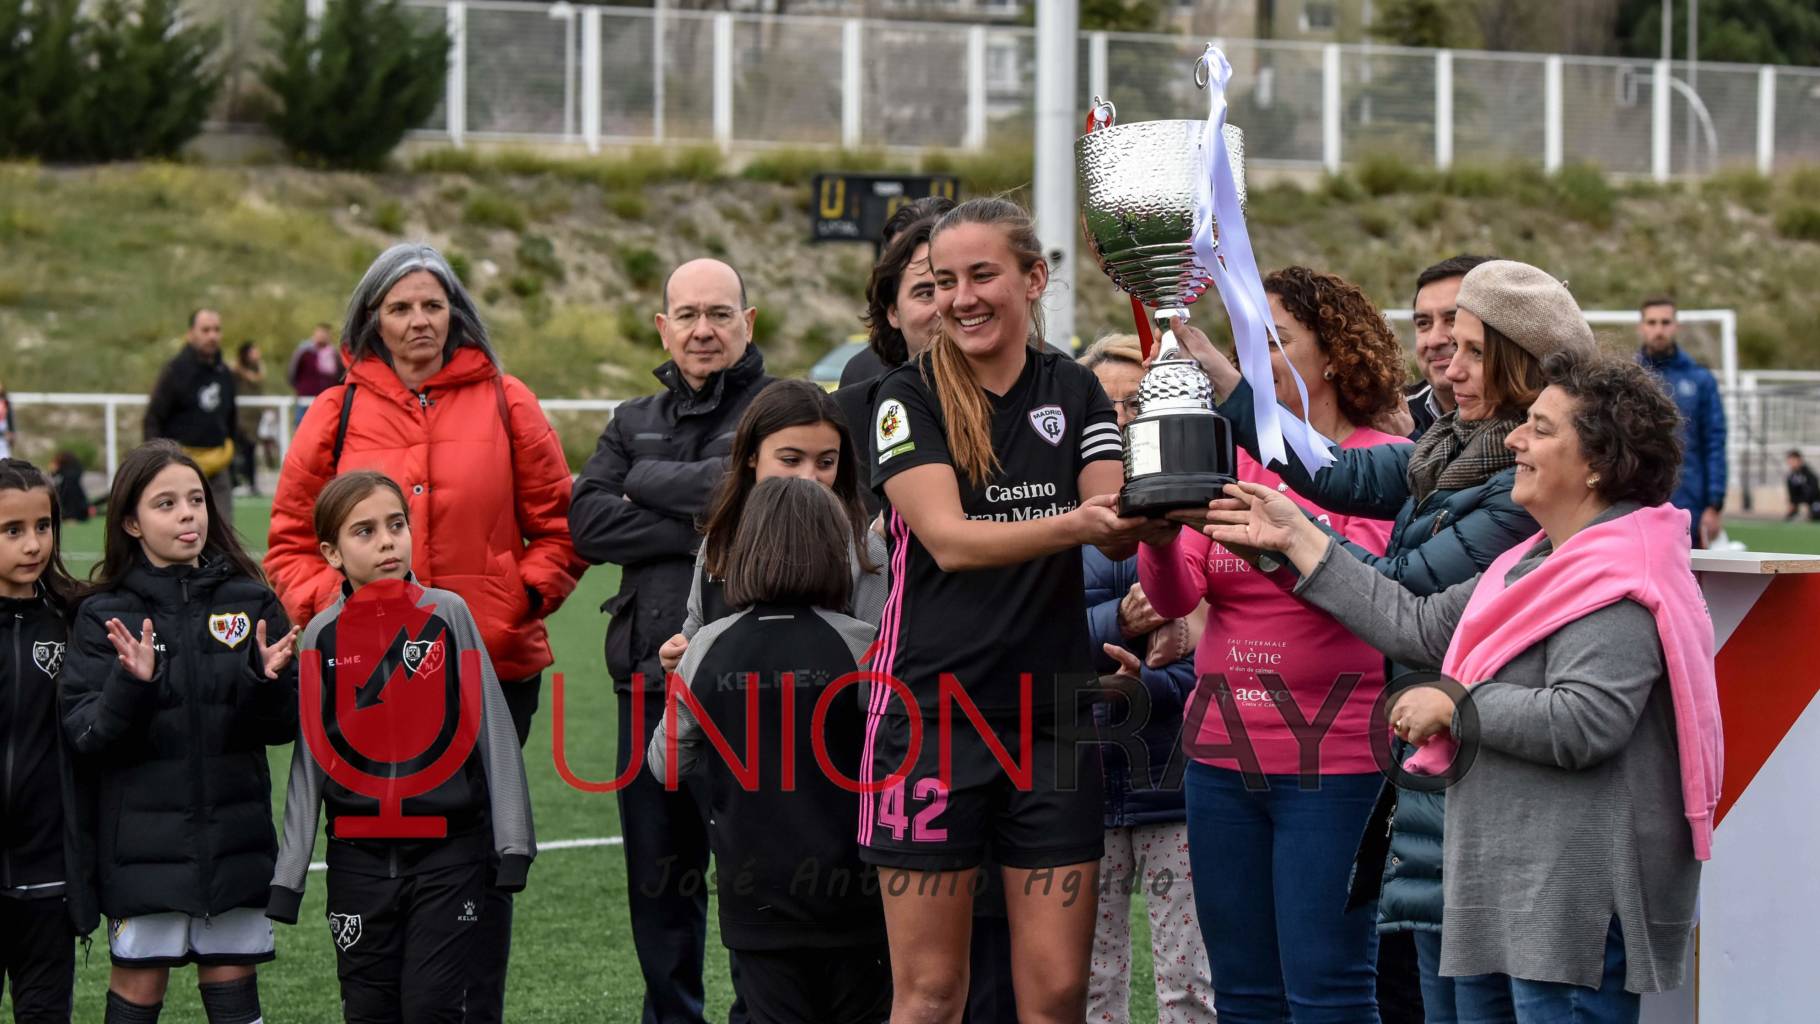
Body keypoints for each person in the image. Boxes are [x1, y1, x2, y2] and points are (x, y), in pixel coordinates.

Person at [1200, 351, 1719, 1024]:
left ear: (1597, 463)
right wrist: (1299, 538)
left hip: (1567, 910)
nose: (1513, 440)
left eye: (1540, 428)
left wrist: (1456, 704)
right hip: (1506, 889)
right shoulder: (1534, 561)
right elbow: (1413, 624)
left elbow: (1586, 721)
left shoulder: (1619, 580)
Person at [1173, 258, 1593, 1022]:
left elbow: (1410, 599)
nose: (1444, 360)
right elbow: (1331, 471)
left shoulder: (1517, 481)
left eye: (1469, 349)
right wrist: (1232, 388)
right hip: (1442, 775)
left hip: (1482, 775)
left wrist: (1297, 544)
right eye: (1445, 340)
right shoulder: (1452, 452)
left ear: (1518, 366)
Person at [263, 242, 579, 1024]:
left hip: (489, 672)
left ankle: (470, 1008)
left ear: (456, 312)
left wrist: (513, 606)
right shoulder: (334, 413)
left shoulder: (509, 401)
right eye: (400, 307)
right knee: (376, 843)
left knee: (476, 849)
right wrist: (336, 617)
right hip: (371, 687)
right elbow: (290, 542)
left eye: (432, 305)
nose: (417, 321)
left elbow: (560, 529)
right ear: (372, 317)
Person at [861, 197, 1151, 1024]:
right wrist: (1077, 523)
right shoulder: (902, 396)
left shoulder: (1079, 389)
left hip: (1053, 720)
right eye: (944, 281)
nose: (962, 298)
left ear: (1034, 278)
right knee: (928, 994)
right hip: (931, 715)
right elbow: (949, 540)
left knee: (1058, 993)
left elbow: (1116, 522)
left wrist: (1164, 501)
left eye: (982, 274)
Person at [1139, 267, 1411, 1023]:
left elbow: (1373, 593)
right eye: (1248, 343)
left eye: (1278, 341)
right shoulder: (1232, 457)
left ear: (1334, 356)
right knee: (1245, 992)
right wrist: (1158, 541)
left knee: (1327, 987)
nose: (1257, 358)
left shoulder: (1384, 464)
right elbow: (1175, 597)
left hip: (1339, 761)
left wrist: (1276, 543)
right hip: (1222, 760)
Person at [568, 256, 771, 1024]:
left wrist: (642, 482)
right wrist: (706, 509)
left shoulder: (779, 409)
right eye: (687, 315)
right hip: (647, 691)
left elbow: (754, 503)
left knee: (764, 882)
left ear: (747, 324)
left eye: (719, 314)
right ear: (663, 326)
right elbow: (586, 522)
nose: (703, 330)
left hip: (758, 691)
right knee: (659, 885)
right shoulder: (630, 419)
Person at [268, 470, 535, 1023]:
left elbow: (493, 727)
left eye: (396, 525)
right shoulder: (321, 635)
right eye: (364, 531)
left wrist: (513, 842)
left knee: (432, 1008)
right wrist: (288, 877)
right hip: (356, 864)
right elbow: (312, 760)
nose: (387, 541)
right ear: (331, 552)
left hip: (448, 857)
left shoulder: (447, 613)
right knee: (367, 1010)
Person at [62, 441, 300, 1024]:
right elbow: (87, 734)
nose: (188, 514)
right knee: (139, 989)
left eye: (195, 499)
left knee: (232, 983)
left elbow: (281, 727)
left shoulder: (251, 600)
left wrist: (265, 682)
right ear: (131, 521)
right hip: (141, 850)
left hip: (233, 840)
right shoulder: (104, 614)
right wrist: (132, 685)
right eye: (165, 503)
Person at [648, 476, 889, 1024]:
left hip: (754, 894)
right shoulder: (862, 644)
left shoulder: (705, 645)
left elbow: (665, 764)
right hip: (856, 893)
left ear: (746, 552)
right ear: (836, 553)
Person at [1075, 335, 1218, 1024]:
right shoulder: (1057, 515)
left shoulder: (1199, 511)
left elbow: (1214, 652)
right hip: (1080, 782)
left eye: (1140, 403)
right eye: (1109, 407)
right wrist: (1121, 625)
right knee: (1088, 986)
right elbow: (1027, 638)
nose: (1127, 420)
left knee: (1190, 984)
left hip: (1177, 782)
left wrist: (1147, 688)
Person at [658, 379, 886, 674]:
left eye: (826, 462)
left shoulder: (864, 550)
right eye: (791, 460)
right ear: (752, 455)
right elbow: (697, 631)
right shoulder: (720, 540)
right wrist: (679, 654)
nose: (808, 477)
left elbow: (879, 665)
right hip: (735, 718)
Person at [0, 459, 95, 1024]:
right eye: (12, 530)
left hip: (49, 877)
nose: (33, 544)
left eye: (43, 526)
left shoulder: (73, 619)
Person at [838, 196, 956, 392]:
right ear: (893, 310)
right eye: (926, 293)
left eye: (948, 283)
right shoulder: (861, 380)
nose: (942, 306)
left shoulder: (1018, 380)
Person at [1636, 296, 1726, 547]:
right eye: (1651, 322)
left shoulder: (1700, 380)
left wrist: (1715, 503)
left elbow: (1714, 441)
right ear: (1641, 327)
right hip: (1637, 502)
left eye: (1665, 322)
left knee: (1692, 580)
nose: (1658, 329)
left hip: (1690, 503)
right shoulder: (1628, 377)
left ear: (1676, 327)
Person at [144, 309, 239, 527]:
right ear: (191, 334)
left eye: (216, 330)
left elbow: (231, 415)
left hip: (218, 467)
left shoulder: (225, 372)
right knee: (184, 530)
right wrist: (155, 461)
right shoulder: (174, 371)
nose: (212, 336)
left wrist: (233, 450)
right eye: (205, 330)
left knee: (224, 533)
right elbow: (153, 418)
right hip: (180, 465)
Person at [1406, 256, 1491, 441]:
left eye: (1453, 319)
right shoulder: (1389, 418)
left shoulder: (1541, 414)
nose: (1434, 340)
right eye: (1424, 323)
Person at [229, 341, 267, 496]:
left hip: (254, 417)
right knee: (237, 450)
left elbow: (258, 378)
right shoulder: (235, 371)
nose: (257, 354)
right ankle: (234, 481)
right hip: (240, 417)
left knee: (250, 450)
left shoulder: (257, 368)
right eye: (254, 351)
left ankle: (251, 483)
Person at [289, 323, 345, 425]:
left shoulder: (334, 354)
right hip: (305, 397)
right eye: (320, 333)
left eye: (325, 333)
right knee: (302, 427)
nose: (322, 336)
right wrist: (299, 389)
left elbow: (341, 376)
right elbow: (293, 372)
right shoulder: (304, 352)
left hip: (327, 398)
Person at [1786, 449, 1820, 522]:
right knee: (1789, 518)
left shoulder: (1808, 474)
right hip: (1800, 503)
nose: (1791, 463)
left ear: (1799, 460)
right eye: (1790, 461)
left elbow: (1814, 491)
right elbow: (1792, 495)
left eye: (1793, 460)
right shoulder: (1790, 477)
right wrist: (1793, 504)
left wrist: (1807, 504)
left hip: (1814, 502)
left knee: (1816, 514)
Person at [0, 380, 17, 460]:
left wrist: (12, 432)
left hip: (3, 438)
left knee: (4, 460)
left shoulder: (5, 402)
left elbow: (10, 418)